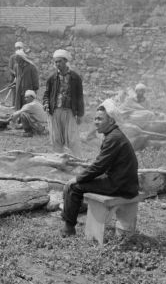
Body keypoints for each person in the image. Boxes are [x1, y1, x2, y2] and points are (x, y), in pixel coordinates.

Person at [61, 101, 139, 236]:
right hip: (122, 181)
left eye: (100, 119)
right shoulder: (114, 135)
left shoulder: (113, 138)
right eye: (95, 118)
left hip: (120, 185)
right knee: (78, 183)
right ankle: (70, 214)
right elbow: (101, 164)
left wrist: (77, 178)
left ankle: (68, 228)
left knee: (74, 187)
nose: (96, 122)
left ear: (111, 121)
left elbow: (99, 167)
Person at [42, 49, 84, 157]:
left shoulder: (75, 77)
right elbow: (47, 94)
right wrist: (46, 103)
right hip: (55, 111)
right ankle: (58, 161)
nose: (57, 64)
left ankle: (78, 160)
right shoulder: (52, 78)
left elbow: (79, 97)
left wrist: (80, 114)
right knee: (56, 139)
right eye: (56, 62)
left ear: (66, 61)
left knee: (73, 139)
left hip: (69, 111)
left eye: (59, 61)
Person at [7, 41, 25, 106]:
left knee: (20, 93)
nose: (18, 49)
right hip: (13, 78)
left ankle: (19, 106)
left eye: (19, 48)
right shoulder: (12, 57)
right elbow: (10, 68)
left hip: (21, 78)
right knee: (14, 93)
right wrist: (15, 73)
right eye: (17, 48)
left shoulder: (24, 57)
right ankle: (13, 105)